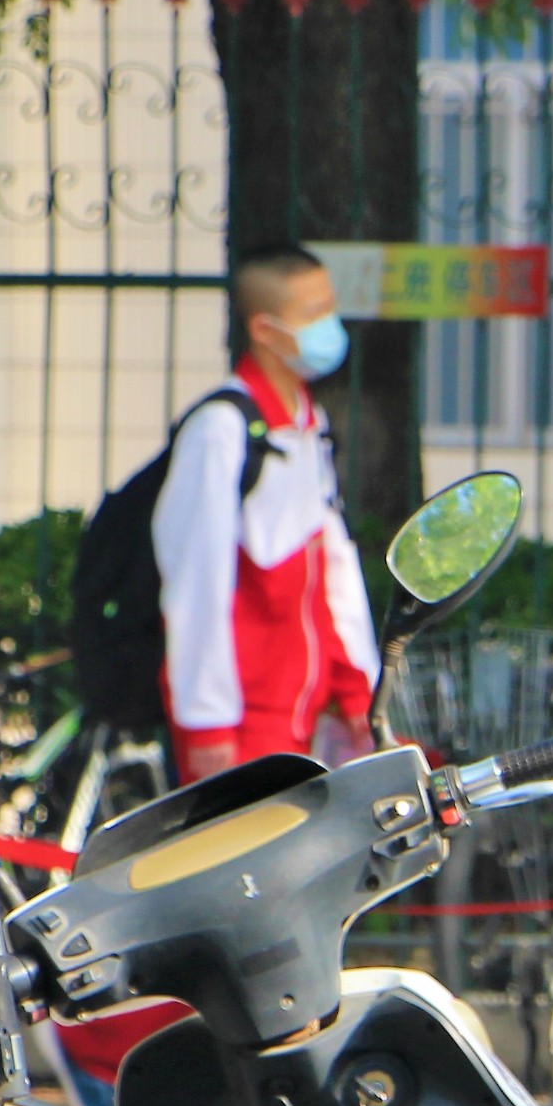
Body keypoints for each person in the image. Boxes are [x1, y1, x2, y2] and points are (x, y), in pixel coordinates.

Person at [155, 244, 378, 782]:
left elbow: (332, 571)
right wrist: (208, 724)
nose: (329, 325)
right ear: (265, 329)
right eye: (312, 313)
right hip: (243, 727)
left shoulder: (306, 425)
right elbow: (196, 580)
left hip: (302, 719)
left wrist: (356, 693)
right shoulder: (222, 430)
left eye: (330, 307)